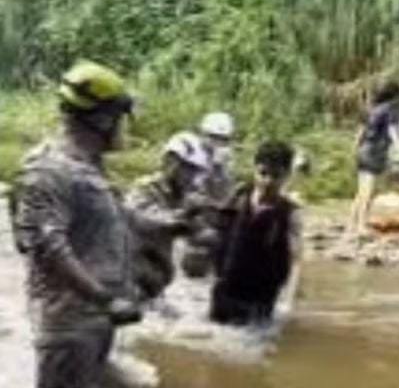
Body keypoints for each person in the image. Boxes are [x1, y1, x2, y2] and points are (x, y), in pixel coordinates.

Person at [14, 61, 184, 388]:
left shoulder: (90, 167)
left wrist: (173, 225)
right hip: (70, 326)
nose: (124, 126)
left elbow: (122, 219)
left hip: (97, 319)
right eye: (120, 116)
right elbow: (48, 247)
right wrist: (104, 299)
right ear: (102, 119)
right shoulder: (50, 170)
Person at [210, 140, 301, 326]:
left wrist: (288, 302)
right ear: (254, 168)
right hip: (226, 291)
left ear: (287, 175)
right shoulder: (237, 197)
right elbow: (216, 235)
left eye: (276, 176)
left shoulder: (289, 213)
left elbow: (296, 260)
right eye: (263, 173)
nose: (267, 181)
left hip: (260, 299)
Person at [127, 131, 217, 289]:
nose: (192, 176)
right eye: (188, 169)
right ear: (171, 162)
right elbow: (143, 221)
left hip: (156, 278)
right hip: (132, 273)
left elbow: (201, 233)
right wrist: (184, 215)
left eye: (195, 171)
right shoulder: (145, 188)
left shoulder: (184, 196)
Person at [347, 82, 399, 239]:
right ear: (395, 96)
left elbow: (360, 132)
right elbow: (392, 130)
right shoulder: (389, 110)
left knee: (361, 191)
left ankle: (352, 224)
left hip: (364, 149)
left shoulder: (373, 109)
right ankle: (361, 226)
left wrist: (356, 149)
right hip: (375, 151)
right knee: (369, 191)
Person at [197, 111, 236, 202]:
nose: (219, 143)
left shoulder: (226, 157)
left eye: (224, 139)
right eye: (214, 137)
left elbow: (222, 194)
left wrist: (218, 167)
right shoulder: (193, 154)